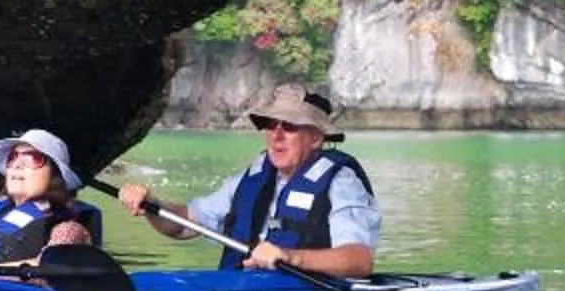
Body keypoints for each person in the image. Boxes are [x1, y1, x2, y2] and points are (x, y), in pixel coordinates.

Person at [117, 83, 379, 275]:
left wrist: (287, 256)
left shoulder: (341, 182)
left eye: (289, 126)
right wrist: (152, 205)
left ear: (316, 138)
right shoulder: (254, 176)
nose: (276, 135)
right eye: (271, 124)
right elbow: (184, 225)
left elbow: (359, 261)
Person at [0, 128, 103, 275]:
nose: (17, 165)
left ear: (55, 175)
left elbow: (50, 270)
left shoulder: (68, 227)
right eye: (12, 157)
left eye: (33, 158)